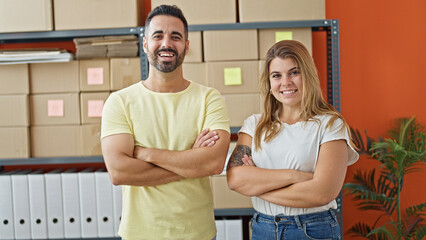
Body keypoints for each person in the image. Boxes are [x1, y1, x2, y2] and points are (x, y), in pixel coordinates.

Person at [101, 5, 230, 240]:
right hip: (140, 234)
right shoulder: (119, 102)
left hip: (198, 234)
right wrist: (191, 159)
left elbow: (213, 163)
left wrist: (146, 154)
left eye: (176, 37)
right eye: (158, 36)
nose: (166, 44)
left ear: (186, 46)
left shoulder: (209, 98)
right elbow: (119, 171)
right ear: (145, 44)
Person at [226, 40, 359, 240]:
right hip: (263, 229)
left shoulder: (330, 125)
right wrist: (296, 176)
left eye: (294, 72)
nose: (285, 82)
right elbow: (235, 179)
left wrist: (257, 187)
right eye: (276, 75)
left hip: (313, 230)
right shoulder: (254, 125)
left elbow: (322, 193)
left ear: (308, 76)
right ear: (269, 83)